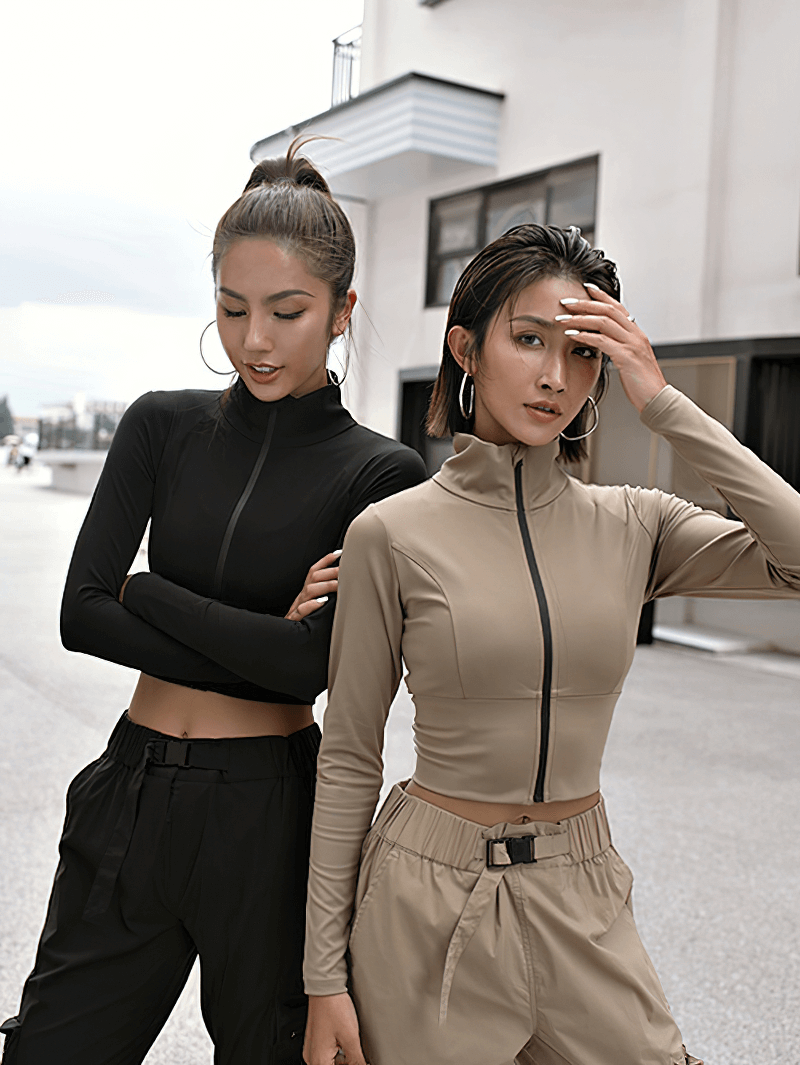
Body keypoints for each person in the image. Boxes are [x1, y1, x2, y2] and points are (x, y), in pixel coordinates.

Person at [301, 223, 800, 1065]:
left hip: (583, 890)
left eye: (583, 353)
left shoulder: (635, 522)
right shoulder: (391, 533)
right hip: (426, 898)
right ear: (466, 347)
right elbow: (350, 752)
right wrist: (323, 976)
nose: (553, 377)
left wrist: (662, 401)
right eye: (528, 339)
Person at [0, 143, 427, 1065]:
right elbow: (80, 613)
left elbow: (310, 669)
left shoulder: (381, 475)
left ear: (342, 311)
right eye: (233, 311)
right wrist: (259, 636)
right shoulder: (161, 424)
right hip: (133, 791)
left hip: (272, 815)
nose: (255, 340)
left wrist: (150, 592)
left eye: (287, 312)